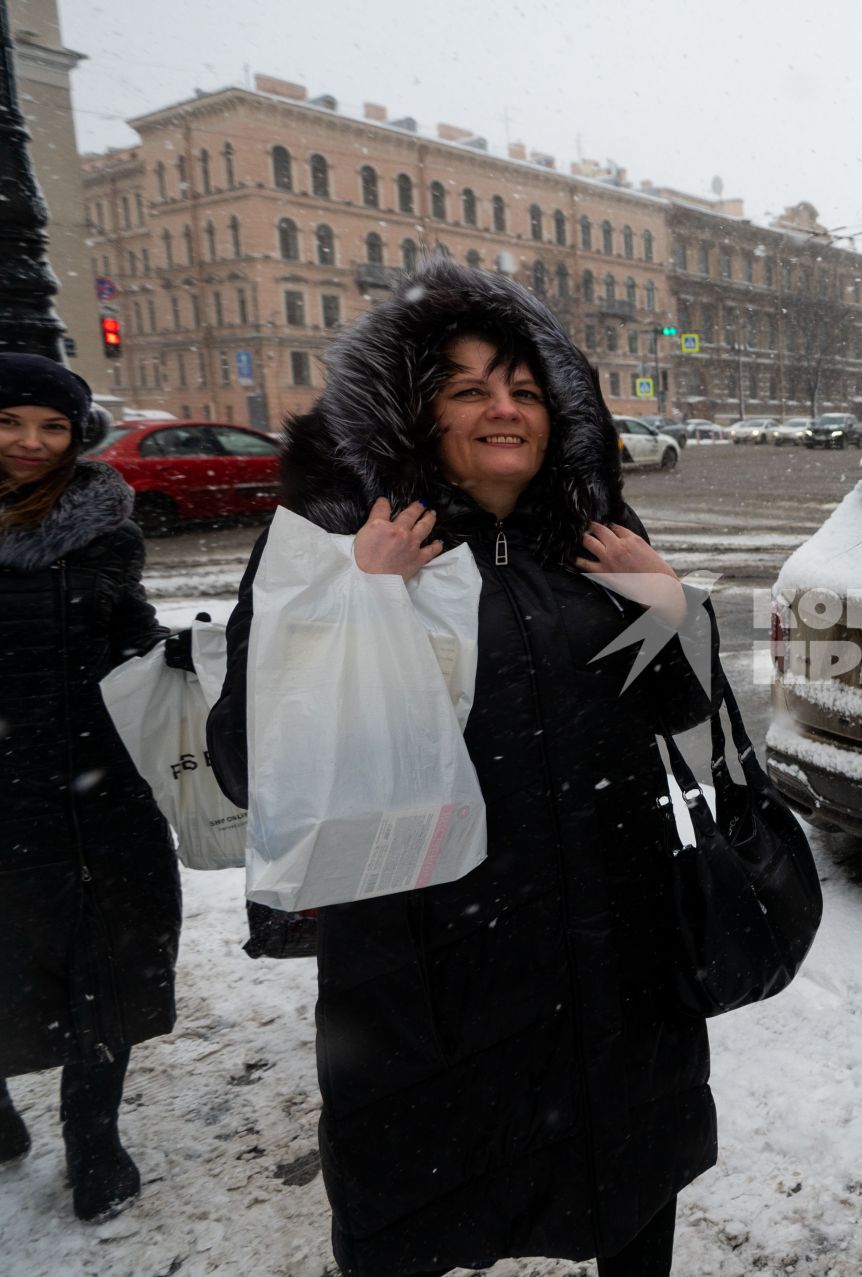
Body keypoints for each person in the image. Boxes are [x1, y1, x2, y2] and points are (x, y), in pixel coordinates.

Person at [206, 262, 713, 1277]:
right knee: (419, 1204)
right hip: (424, 963)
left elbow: (687, 715)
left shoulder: (598, 537)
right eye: (470, 386)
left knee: (626, 1186)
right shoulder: (341, 540)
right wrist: (356, 603)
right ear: (414, 407)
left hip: (605, 949)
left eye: (526, 387)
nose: (503, 408)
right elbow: (243, 762)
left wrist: (679, 611)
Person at [0, 354, 181, 1222]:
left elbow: (129, 625)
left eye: (53, 426)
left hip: (96, 782)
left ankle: (92, 1136)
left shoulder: (103, 524)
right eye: (11, 422)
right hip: (3, 794)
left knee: (106, 959)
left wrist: (170, 661)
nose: (33, 442)